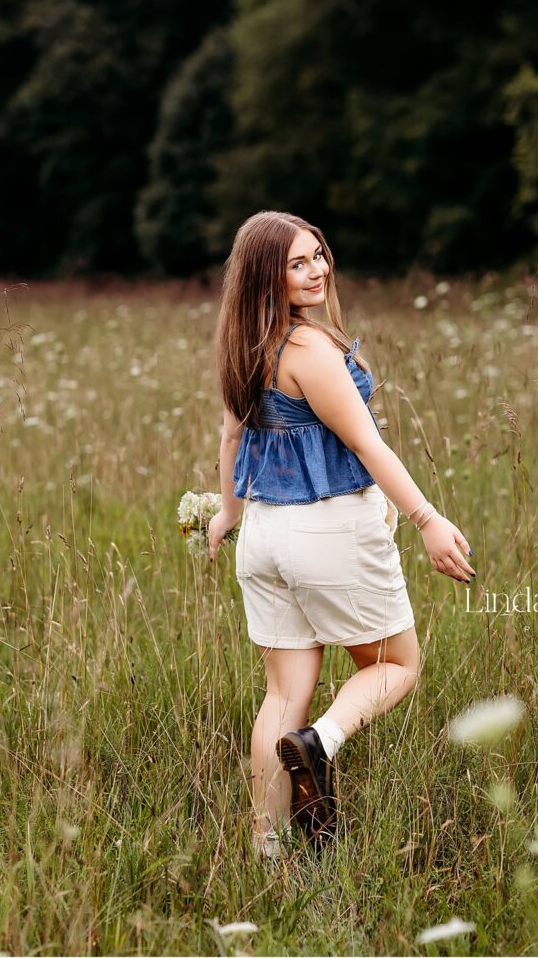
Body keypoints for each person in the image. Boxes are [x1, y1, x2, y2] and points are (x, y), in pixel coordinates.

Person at [207, 211, 476, 859]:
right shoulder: (309, 350)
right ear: (266, 276)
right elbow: (367, 444)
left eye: (318, 254)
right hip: (326, 531)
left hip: (264, 538)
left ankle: (267, 852)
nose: (316, 270)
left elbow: (231, 435)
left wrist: (229, 514)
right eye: (296, 264)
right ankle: (319, 745)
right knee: (395, 665)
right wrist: (427, 519)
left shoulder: (246, 343)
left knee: (282, 692)